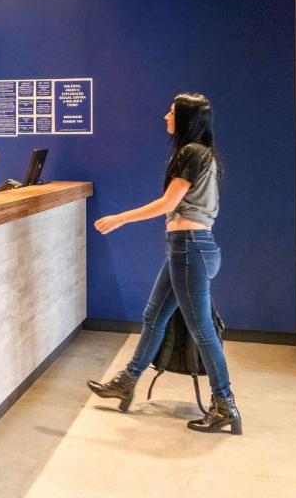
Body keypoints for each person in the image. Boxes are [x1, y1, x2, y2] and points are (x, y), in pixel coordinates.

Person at [86, 93, 242, 435]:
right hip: (188, 249)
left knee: (201, 329)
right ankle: (127, 381)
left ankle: (225, 403)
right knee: (154, 316)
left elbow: (169, 202)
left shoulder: (191, 153)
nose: (165, 116)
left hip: (190, 249)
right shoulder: (204, 155)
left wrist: (121, 218)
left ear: (186, 117)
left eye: (171, 112)